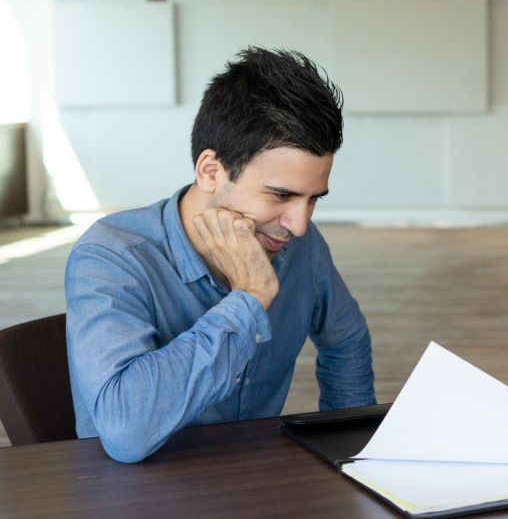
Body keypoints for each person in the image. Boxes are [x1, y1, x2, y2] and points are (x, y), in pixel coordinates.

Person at [65, 48, 375, 463]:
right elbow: (127, 431)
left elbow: (346, 339)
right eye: (281, 195)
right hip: (140, 493)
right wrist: (249, 296)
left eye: (313, 199)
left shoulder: (301, 244)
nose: (299, 224)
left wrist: (350, 453)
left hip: (255, 481)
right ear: (211, 171)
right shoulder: (112, 255)